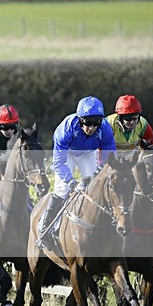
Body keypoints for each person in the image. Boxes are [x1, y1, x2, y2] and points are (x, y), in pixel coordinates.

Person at [36, 96, 117, 251]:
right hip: (68, 154)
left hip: (88, 153)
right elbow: (58, 163)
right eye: (87, 122)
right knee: (62, 190)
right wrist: (72, 183)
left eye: (95, 123)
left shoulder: (105, 129)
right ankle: (44, 230)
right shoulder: (66, 129)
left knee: (97, 187)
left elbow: (109, 159)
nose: (91, 127)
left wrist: (100, 173)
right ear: (80, 120)